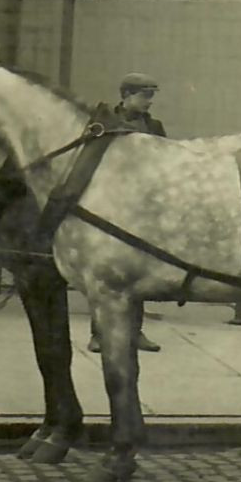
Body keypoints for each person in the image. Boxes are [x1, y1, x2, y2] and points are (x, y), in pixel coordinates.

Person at [87, 72, 167, 353]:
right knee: (105, 273)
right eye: (145, 96)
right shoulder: (105, 122)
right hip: (111, 206)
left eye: (151, 97)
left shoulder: (154, 126)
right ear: (126, 95)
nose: (149, 102)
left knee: (135, 272)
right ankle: (99, 334)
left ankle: (136, 332)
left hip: (143, 206)